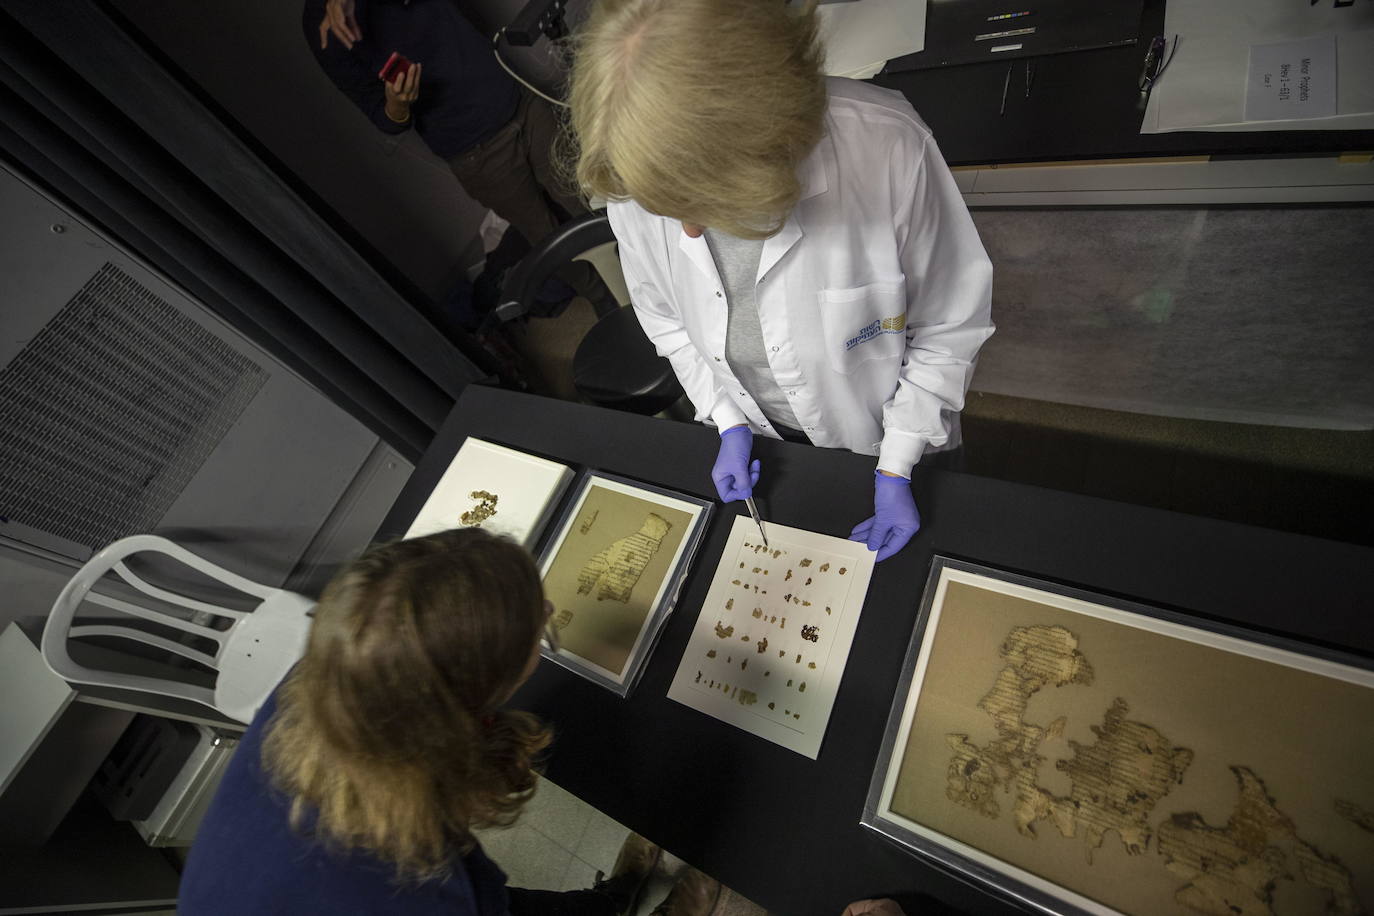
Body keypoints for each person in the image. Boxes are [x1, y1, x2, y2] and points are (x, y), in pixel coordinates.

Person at [567, 0, 994, 562]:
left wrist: (898, 463)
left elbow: (948, 326)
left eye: (699, 204)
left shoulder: (888, 147)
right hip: (768, 437)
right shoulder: (636, 177)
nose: (687, 230)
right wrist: (726, 419)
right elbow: (666, 320)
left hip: (898, 438)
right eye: (665, 209)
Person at [178, 528, 667, 915]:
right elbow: (475, 901)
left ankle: (608, 901)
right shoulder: (415, 880)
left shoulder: (325, 674)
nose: (549, 613)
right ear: (474, 697)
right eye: (539, 629)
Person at [304, 0, 612, 314]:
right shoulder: (321, 32)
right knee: (549, 238)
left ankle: (646, 270)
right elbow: (385, 119)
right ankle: (608, 303)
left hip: (518, 101)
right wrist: (398, 102)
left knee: (588, 199)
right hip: (476, 155)